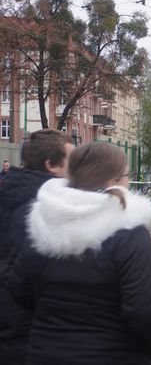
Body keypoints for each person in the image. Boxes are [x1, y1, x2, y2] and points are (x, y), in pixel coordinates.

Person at [8, 142, 151, 363]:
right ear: (113, 181)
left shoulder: (43, 225)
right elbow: (147, 312)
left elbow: (18, 287)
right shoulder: (129, 233)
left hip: (46, 353)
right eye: (126, 175)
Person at [0, 129, 74, 363]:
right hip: (27, 337)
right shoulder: (40, 211)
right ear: (51, 165)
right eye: (72, 161)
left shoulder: (11, 195)